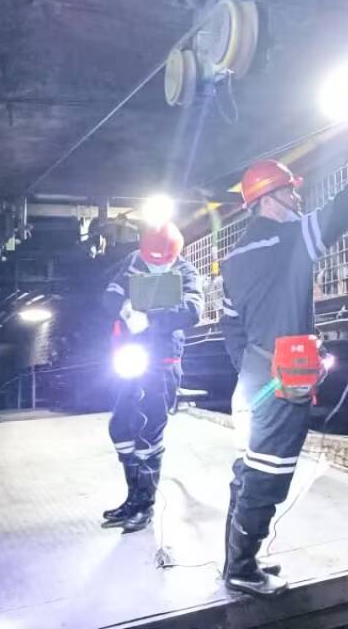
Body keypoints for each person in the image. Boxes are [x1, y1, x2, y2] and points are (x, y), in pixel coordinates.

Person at [218, 139, 348, 596]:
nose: (297, 198)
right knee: (269, 473)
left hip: (253, 379)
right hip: (281, 383)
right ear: (269, 199)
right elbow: (343, 208)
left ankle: (238, 559)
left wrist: (251, 365)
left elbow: (230, 326)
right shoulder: (289, 240)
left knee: (247, 468)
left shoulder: (233, 259)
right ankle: (241, 570)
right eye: (290, 192)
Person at [100, 221, 204, 533]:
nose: (156, 266)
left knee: (148, 430)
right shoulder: (133, 261)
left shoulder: (186, 272)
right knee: (120, 426)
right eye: (151, 260)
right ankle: (133, 498)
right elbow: (110, 293)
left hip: (162, 360)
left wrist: (150, 318)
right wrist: (124, 308)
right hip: (130, 355)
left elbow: (193, 310)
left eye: (163, 262)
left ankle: (145, 505)